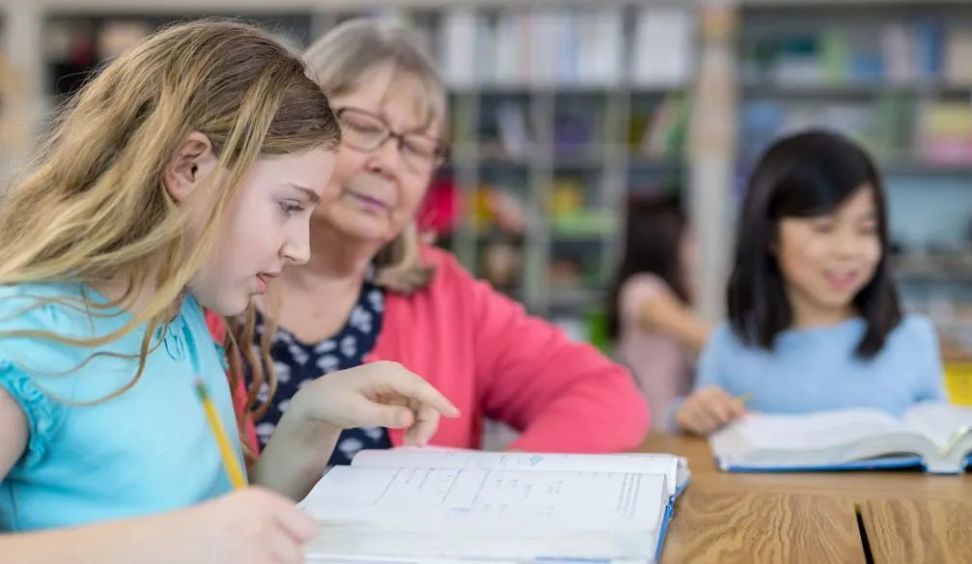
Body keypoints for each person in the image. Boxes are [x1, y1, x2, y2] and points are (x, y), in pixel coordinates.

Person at [0, 21, 457, 562]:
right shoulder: (29, 335)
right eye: (289, 206)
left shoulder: (180, 313)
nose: (300, 249)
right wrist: (175, 541)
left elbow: (229, 523)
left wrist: (312, 417)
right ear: (190, 167)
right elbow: (196, 536)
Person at [221, 18, 649, 464]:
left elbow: (608, 393)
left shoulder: (447, 298)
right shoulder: (217, 284)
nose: (388, 162)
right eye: (364, 127)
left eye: (416, 147)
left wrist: (496, 486)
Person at [675, 130, 946, 436]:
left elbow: (943, 451)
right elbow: (702, 443)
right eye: (824, 227)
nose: (847, 249)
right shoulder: (730, 345)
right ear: (769, 235)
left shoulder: (912, 339)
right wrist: (694, 416)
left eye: (866, 229)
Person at [608, 193, 710, 431]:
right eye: (689, 238)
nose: (694, 247)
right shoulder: (642, 289)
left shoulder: (657, 291)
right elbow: (703, 336)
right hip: (652, 424)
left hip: (662, 420)